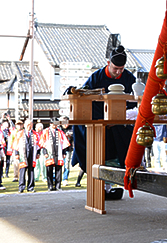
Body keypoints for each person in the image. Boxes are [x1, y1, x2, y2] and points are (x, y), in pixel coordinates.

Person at [72, 45, 136, 200]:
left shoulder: (129, 78)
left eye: (121, 68)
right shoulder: (97, 76)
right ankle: (100, 187)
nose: (118, 72)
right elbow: (83, 95)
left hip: (120, 125)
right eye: (115, 68)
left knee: (120, 152)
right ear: (108, 63)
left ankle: (113, 185)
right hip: (99, 123)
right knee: (96, 151)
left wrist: (121, 117)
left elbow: (136, 103)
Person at [39, 118, 70, 191]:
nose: (55, 125)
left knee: (58, 169)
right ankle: (50, 186)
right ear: (50, 123)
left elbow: (64, 143)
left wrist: (64, 152)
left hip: (58, 152)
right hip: (49, 152)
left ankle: (58, 186)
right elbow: (42, 143)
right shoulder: (45, 131)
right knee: (49, 169)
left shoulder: (60, 132)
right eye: (53, 123)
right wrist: (45, 152)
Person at [13, 119, 40, 193]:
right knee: (22, 170)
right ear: (24, 125)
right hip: (22, 154)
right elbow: (16, 144)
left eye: (30, 125)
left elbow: (38, 145)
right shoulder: (20, 133)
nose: (29, 126)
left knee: (31, 171)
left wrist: (38, 153)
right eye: (28, 125)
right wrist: (16, 153)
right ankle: (21, 187)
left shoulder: (35, 134)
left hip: (32, 153)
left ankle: (30, 187)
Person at [59, 116, 73, 186]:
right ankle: (55, 178)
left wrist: (70, 136)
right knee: (57, 164)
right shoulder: (59, 129)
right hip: (59, 149)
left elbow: (74, 137)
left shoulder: (71, 128)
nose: (66, 125)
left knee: (66, 164)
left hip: (68, 149)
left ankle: (65, 179)